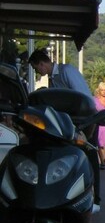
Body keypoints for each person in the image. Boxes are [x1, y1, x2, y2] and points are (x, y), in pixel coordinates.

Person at [28, 49, 101, 213]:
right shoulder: (53, 81)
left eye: (36, 68)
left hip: (87, 121)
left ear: (42, 64)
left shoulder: (66, 71)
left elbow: (84, 98)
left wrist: (84, 126)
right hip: (70, 125)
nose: (37, 72)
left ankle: (97, 200)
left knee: (90, 158)